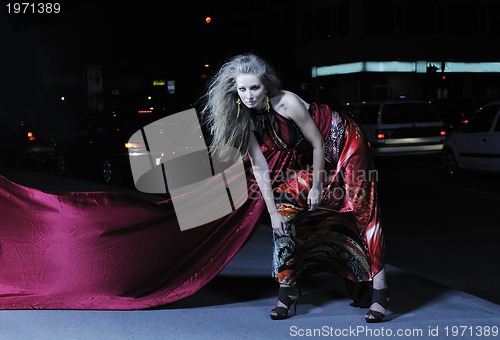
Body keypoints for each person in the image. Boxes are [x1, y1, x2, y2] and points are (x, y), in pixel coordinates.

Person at [200, 53, 389, 323]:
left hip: (344, 140)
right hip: (309, 154)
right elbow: (260, 168)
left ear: (266, 85)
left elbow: (318, 143)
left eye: (255, 87)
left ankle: (380, 293)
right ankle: (287, 291)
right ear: (235, 90)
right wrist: (273, 214)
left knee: (362, 208)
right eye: (242, 89)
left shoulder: (286, 102)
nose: (249, 95)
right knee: (284, 206)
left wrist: (317, 187)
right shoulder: (243, 117)